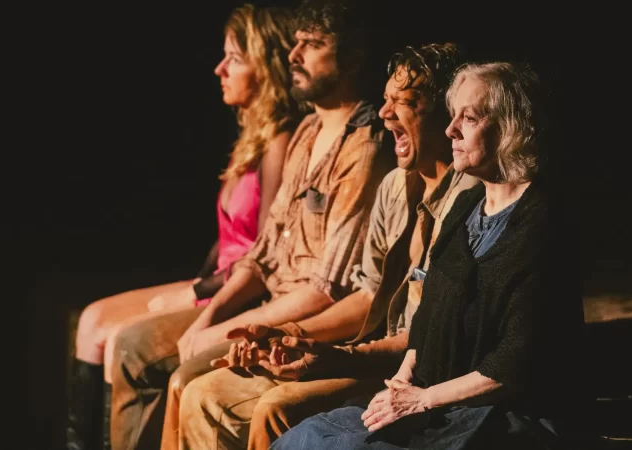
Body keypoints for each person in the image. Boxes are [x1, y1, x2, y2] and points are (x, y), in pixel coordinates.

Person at [106, 1, 396, 449]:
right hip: (273, 306)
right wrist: (211, 316)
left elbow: (327, 290)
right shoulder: (306, 133)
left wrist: (225, 327)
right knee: (134, 345)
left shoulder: (365, 148)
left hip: (306, 320)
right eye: (295, 44)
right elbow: (261, 256)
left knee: (189, 382)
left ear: (353, 58)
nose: (294, 56)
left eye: (312, 45)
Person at [175, 42, 480, 450]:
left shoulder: (471, 200)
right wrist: (286, 335)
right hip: (379, 351)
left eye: (406, 102)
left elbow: (432, 338)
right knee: (200, 391)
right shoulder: (395, 186)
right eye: (386, 100)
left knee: (272, 408)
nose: (385, 113)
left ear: (447, 116)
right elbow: (367, 294)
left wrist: (336, 354)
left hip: (418, 374)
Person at [269, 62, 590, 449]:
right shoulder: (465, 209)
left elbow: (514, 363)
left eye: (468, 118)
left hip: (504, 413)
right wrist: (400, 384)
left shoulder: (543, 225)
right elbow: (425, 323)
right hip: (438, 401)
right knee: (306, 437)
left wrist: (422, 400)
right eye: (452, 116)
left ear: (511, 128)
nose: (451, 130)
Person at [64, 4, 304, 449]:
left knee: (121, 340)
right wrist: (195, 282)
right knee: (92, 319)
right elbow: (227, 238)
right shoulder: (251, 137)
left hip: (242, 292)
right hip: (219, 280)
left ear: (265, 66)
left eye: (234, 58)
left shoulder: (281, 142)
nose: (219, 69)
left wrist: (195, 292)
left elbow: (264, 252)